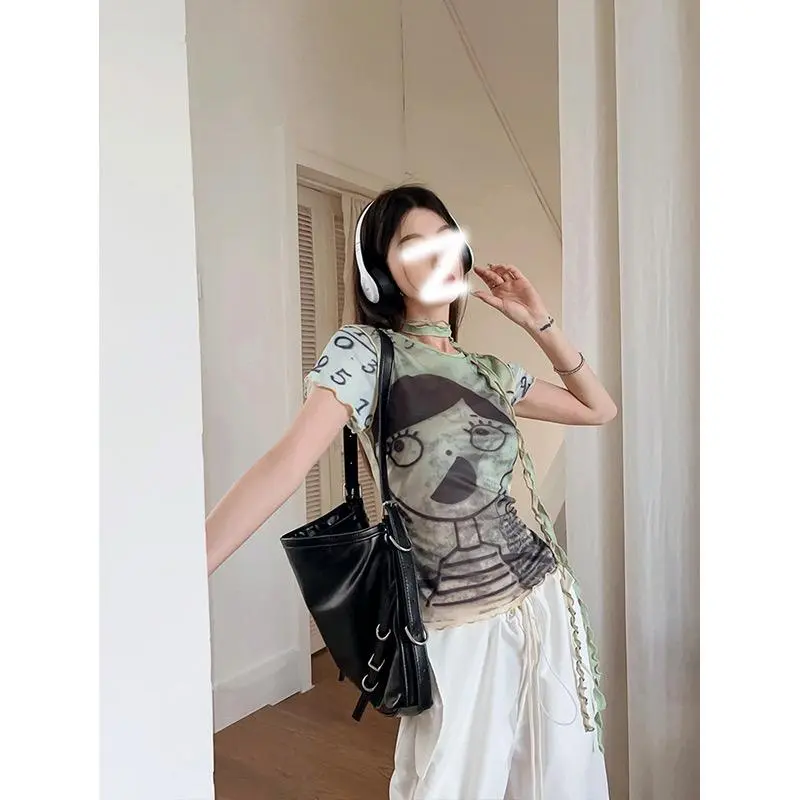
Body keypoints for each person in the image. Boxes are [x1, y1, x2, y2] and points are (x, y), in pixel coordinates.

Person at [205, 185, 616, 799]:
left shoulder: (489, 371)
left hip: (542, 600)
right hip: (453, 621)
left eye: (446, 240)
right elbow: (285, 462)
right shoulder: (367, 353)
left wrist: (538, 323)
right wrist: (187, 572)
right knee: (451, 782)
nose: (436, 255)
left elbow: (598, 409)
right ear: (381, 273)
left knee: (560, 779)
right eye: (412, 245)